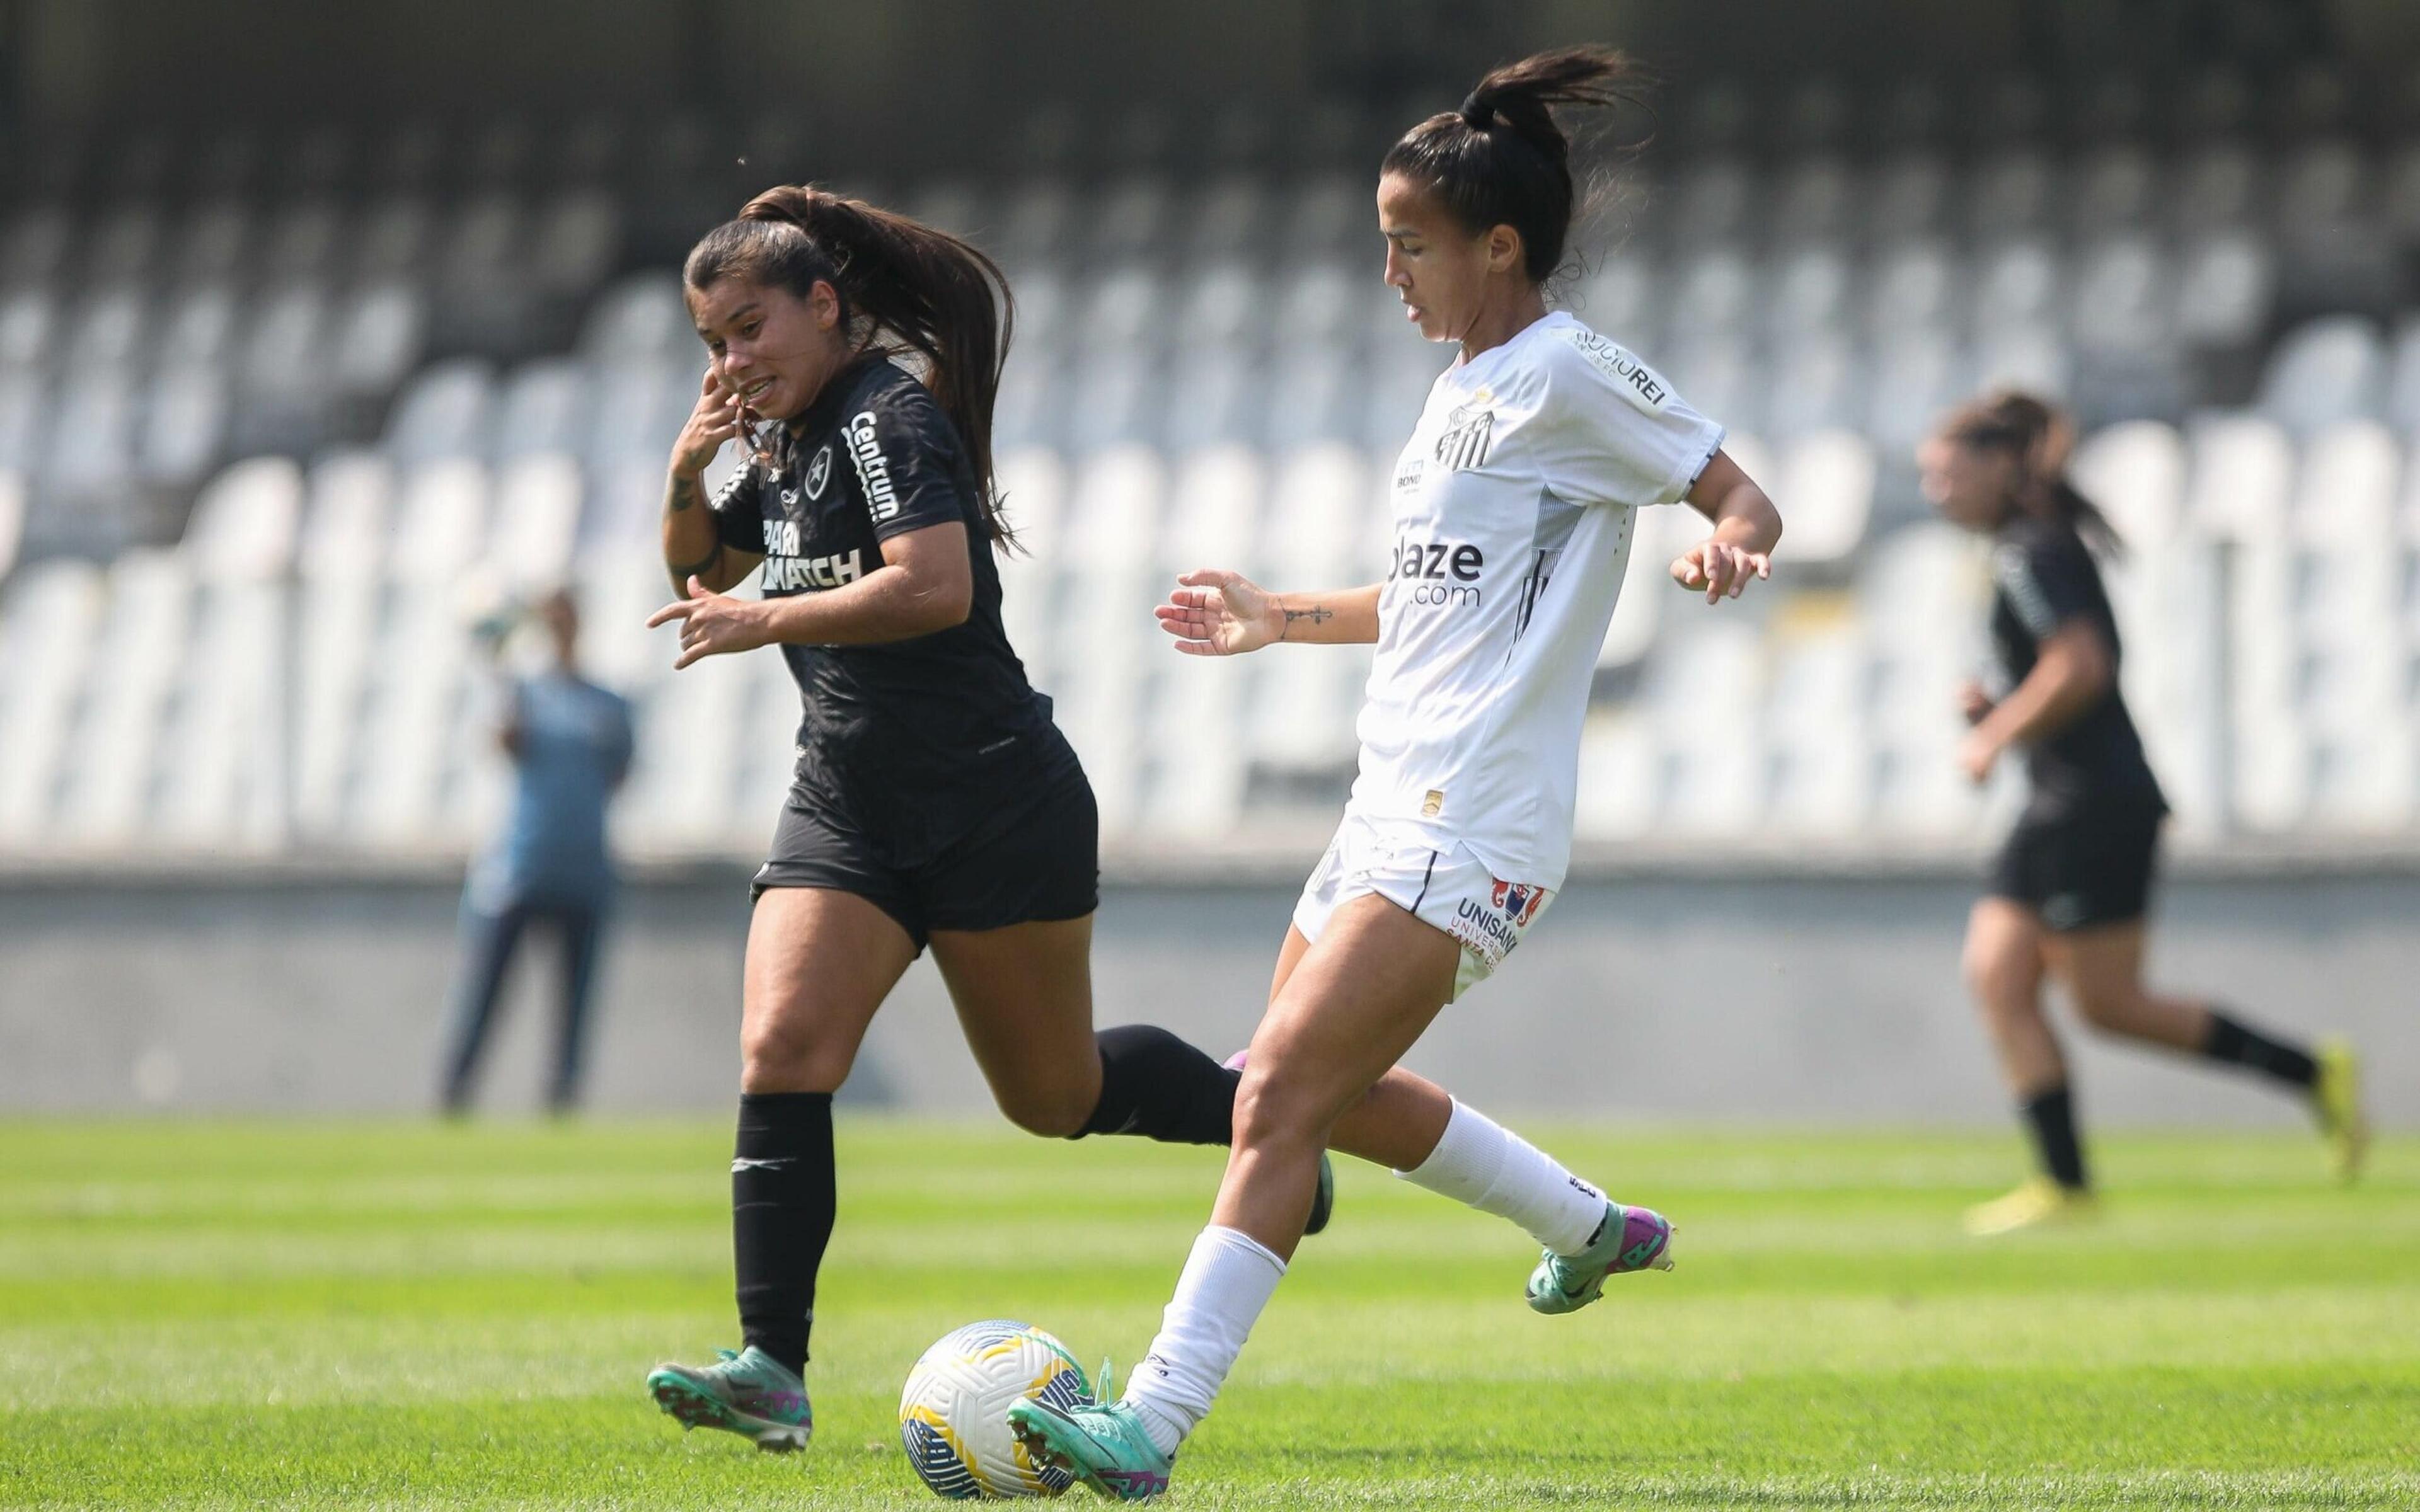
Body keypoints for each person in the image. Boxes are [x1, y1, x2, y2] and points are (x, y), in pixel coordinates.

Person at [1008, 48, 1782, 1500]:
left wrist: (1722, 542)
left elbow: (1737, 490)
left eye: (1406, 243)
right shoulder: (1460, 394)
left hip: (1475, 817)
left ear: (1497, 245)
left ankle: (1150, 1424)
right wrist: (1273, 617)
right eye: (1379, 242)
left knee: (1276, 1098)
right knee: (1319, 1089)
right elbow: (1431, 596)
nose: (1387, 272)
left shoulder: (1564, 370)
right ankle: (1590, 1224)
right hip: (1385, 800)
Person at [637, 185, 1338, 1453]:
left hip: (991, 800)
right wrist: (689, 467)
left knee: (1054, 1096)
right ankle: (773, 1369)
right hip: (848, 803)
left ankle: (1266, 1125)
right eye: (712, 344)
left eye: (750, 330)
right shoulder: (782, 435)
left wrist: (763, 623)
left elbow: (935, 586)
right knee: (783, 1047)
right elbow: (702, 568)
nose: (734, 361)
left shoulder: (882, 413)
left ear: (826, 306)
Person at [1917, 391, 2368, 1236]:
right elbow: (2065, 672)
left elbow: (2082, 666)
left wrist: (1993, 737)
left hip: (2097, 804)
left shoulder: (2031, 551)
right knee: (1997, 975)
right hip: (2056, 801)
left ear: (2001, 467)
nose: (1935, 489)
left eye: (1945, 471)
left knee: (2110, 1006)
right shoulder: (2025, 550)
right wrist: (2002, 709)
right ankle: (2065, 1184)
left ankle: (2312, 1074)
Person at [437, 588, 634, 1115]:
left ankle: (562, 1101)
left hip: (584, 871)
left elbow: (620, 774)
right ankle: (455, 1093)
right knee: (486, 993)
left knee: (573, 1004)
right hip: (518, 868)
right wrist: (496, 670)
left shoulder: (608, 703)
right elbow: (501, 742)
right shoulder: (522, 692)